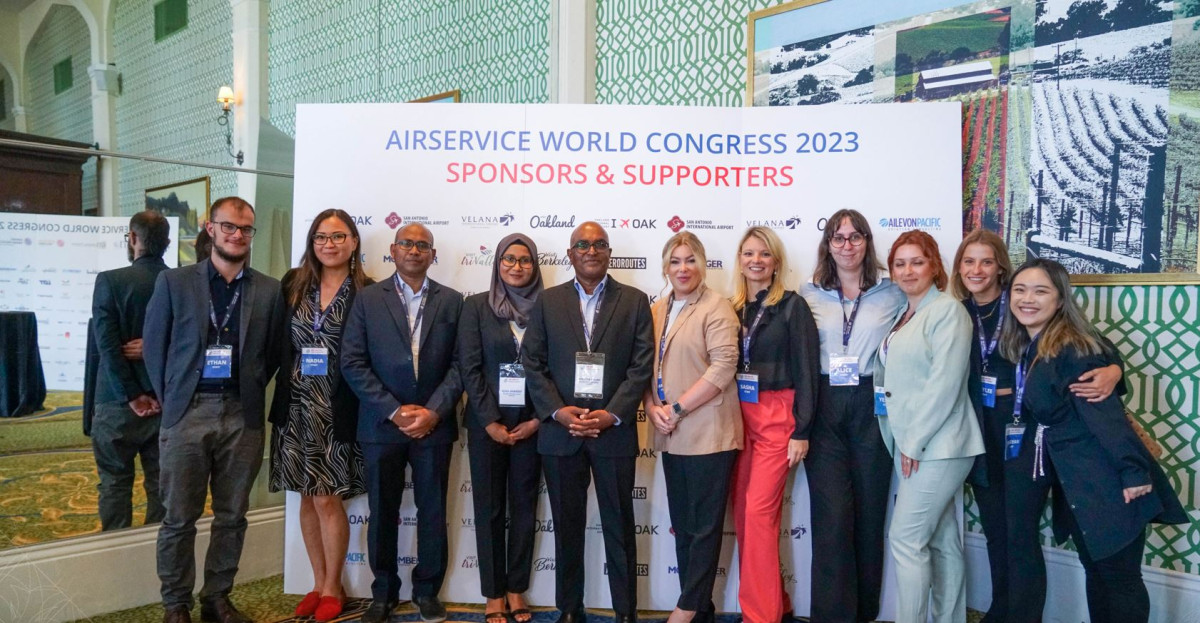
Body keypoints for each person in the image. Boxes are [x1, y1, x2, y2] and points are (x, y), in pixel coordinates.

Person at [949, 230, 1123, 622]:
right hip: (978, 431)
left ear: (1000, 268)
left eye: (987, 261)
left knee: (1019, 532)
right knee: (995, 529)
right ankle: (1000, 610)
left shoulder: (1021, 303)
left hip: (1025, 432)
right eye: (968, 261)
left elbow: (1090, 342)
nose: (977, 270)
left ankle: (1022, 615)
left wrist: (1115, 369)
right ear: (958, 268)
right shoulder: (955, 312)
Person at [1001, 259, 1186, 623]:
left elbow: (1107, 418)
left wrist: (1133, 472)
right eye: (1020, 290)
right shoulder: (1038, 345)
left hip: (1108, 481)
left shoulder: (1073, 348)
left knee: (1119, 580)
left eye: (1041, 291)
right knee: (1098, 572)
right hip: (1079, 483)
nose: (1027, 299)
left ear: (1060, 300)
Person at [144, 197, 286, 623]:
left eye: (246, 229)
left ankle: (217, 599)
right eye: (229, 226)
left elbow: (273, 353)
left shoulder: (269, 290)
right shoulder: (174, 282)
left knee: (232, 516)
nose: (237, 235)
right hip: (187, 413)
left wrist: (250, 387)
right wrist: (173, 400)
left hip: (242, 416)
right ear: (211, 229)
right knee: (178, 519)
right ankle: (176, 604)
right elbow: (154, 348)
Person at [522, 221, 654, 623]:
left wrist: (612, 413)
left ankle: (625, 612)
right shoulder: (548, 301)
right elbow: (532, 362)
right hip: (561, 433)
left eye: (599, 244)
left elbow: (641, 365)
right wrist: (558, 411)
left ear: (609, 252)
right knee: (567, 527)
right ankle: (569, 608)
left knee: (619, 525)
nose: (591, 250)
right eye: (582, 244)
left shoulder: (634, 301)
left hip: (613, 432)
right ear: (570, 254)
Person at [340, 223, 463, 623]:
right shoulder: (367, 299)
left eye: (422, 245)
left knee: (432, 511)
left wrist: (433, 411)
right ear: (393, 250)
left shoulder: (452, 301)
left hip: (434, 426)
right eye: (406, 243)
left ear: (432, 254)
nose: (414, 250)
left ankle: (427, 591)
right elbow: (352, 361)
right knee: (382, 510)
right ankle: (383, 592)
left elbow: (461, 365)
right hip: (381, 426)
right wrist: (394, 410)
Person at [799, 210, 903, 623]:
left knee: (870, 512)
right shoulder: (807, 293)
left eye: (855, 237)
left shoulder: (892, 291)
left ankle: (864, 613)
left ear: (867, 242)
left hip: (871, 402)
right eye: (838, 237)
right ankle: (831, 616)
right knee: (831, 516)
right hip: (824, 404)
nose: (847, 245)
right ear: (828, 244)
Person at [875, 230, 983, 623]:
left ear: (934, 266)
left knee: (906, 540)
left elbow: (944, 385)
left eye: (917, 262)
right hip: (914, 442)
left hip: (939, 445)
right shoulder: (905, 313)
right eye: (900, 264)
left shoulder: (948, 311)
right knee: (941, 540)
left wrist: (913, 443)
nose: (908, 271)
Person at [268, 208, 370, 622]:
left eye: (338, 236)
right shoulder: (293, 284)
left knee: (328, 497)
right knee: (306, 497)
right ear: (312, 243)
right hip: (295, 406)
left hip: (338, 407)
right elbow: (278, 343)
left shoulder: (367, 291)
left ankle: (333, 587)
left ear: (354, 242)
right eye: (321, 237)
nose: (329, 244)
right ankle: (317, 583)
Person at [641, 232, 741, 623]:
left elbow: (723, 367)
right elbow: (646, 366)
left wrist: (677, 408)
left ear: (702, 264)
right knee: (683, 527)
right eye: (675, 261)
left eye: (690, 260)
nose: (683, 268)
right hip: (670, 432)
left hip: (708, 432)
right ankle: (700, 611)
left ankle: (685, 610)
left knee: (703, 528)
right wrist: (651, 407)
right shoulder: (658, 308)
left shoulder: (717, 306)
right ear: (665, 267)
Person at [731, 226, 819, 623]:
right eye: (749, 253)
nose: (756, 261)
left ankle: (760, 616)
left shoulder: (792, 306)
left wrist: (802, 429)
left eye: (764, 254)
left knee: (759, 514)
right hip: (738, 417)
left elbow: (807, 370)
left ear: (776, 262)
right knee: (743, 514)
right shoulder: (734, 308)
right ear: (740, 260)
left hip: (777, 418)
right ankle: (775, 602)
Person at [458, 233, 545, 623]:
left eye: (525, 260)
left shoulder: (549, 307)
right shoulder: (476, 307)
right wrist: (489, 421)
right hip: (486, 426)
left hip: (532, 425)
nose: (516, 266)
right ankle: (493, 593)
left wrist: (537, 419)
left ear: (534, 266)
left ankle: (516, 588)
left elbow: (553, 367)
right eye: (509, 259)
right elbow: (470, 367)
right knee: (489, 508)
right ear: (497, 263)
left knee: (525, 508)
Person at [90, 210, 170, 531]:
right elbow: (191, 343)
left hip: (115, 402)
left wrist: (132, 395)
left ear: (133, 238)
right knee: (162, 484)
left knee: (114, 483)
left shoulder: (109, 281)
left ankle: (115, 551)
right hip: (166, 400)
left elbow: (108, 349)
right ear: (167, 243)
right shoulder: (181, 282)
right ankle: (159, 549)